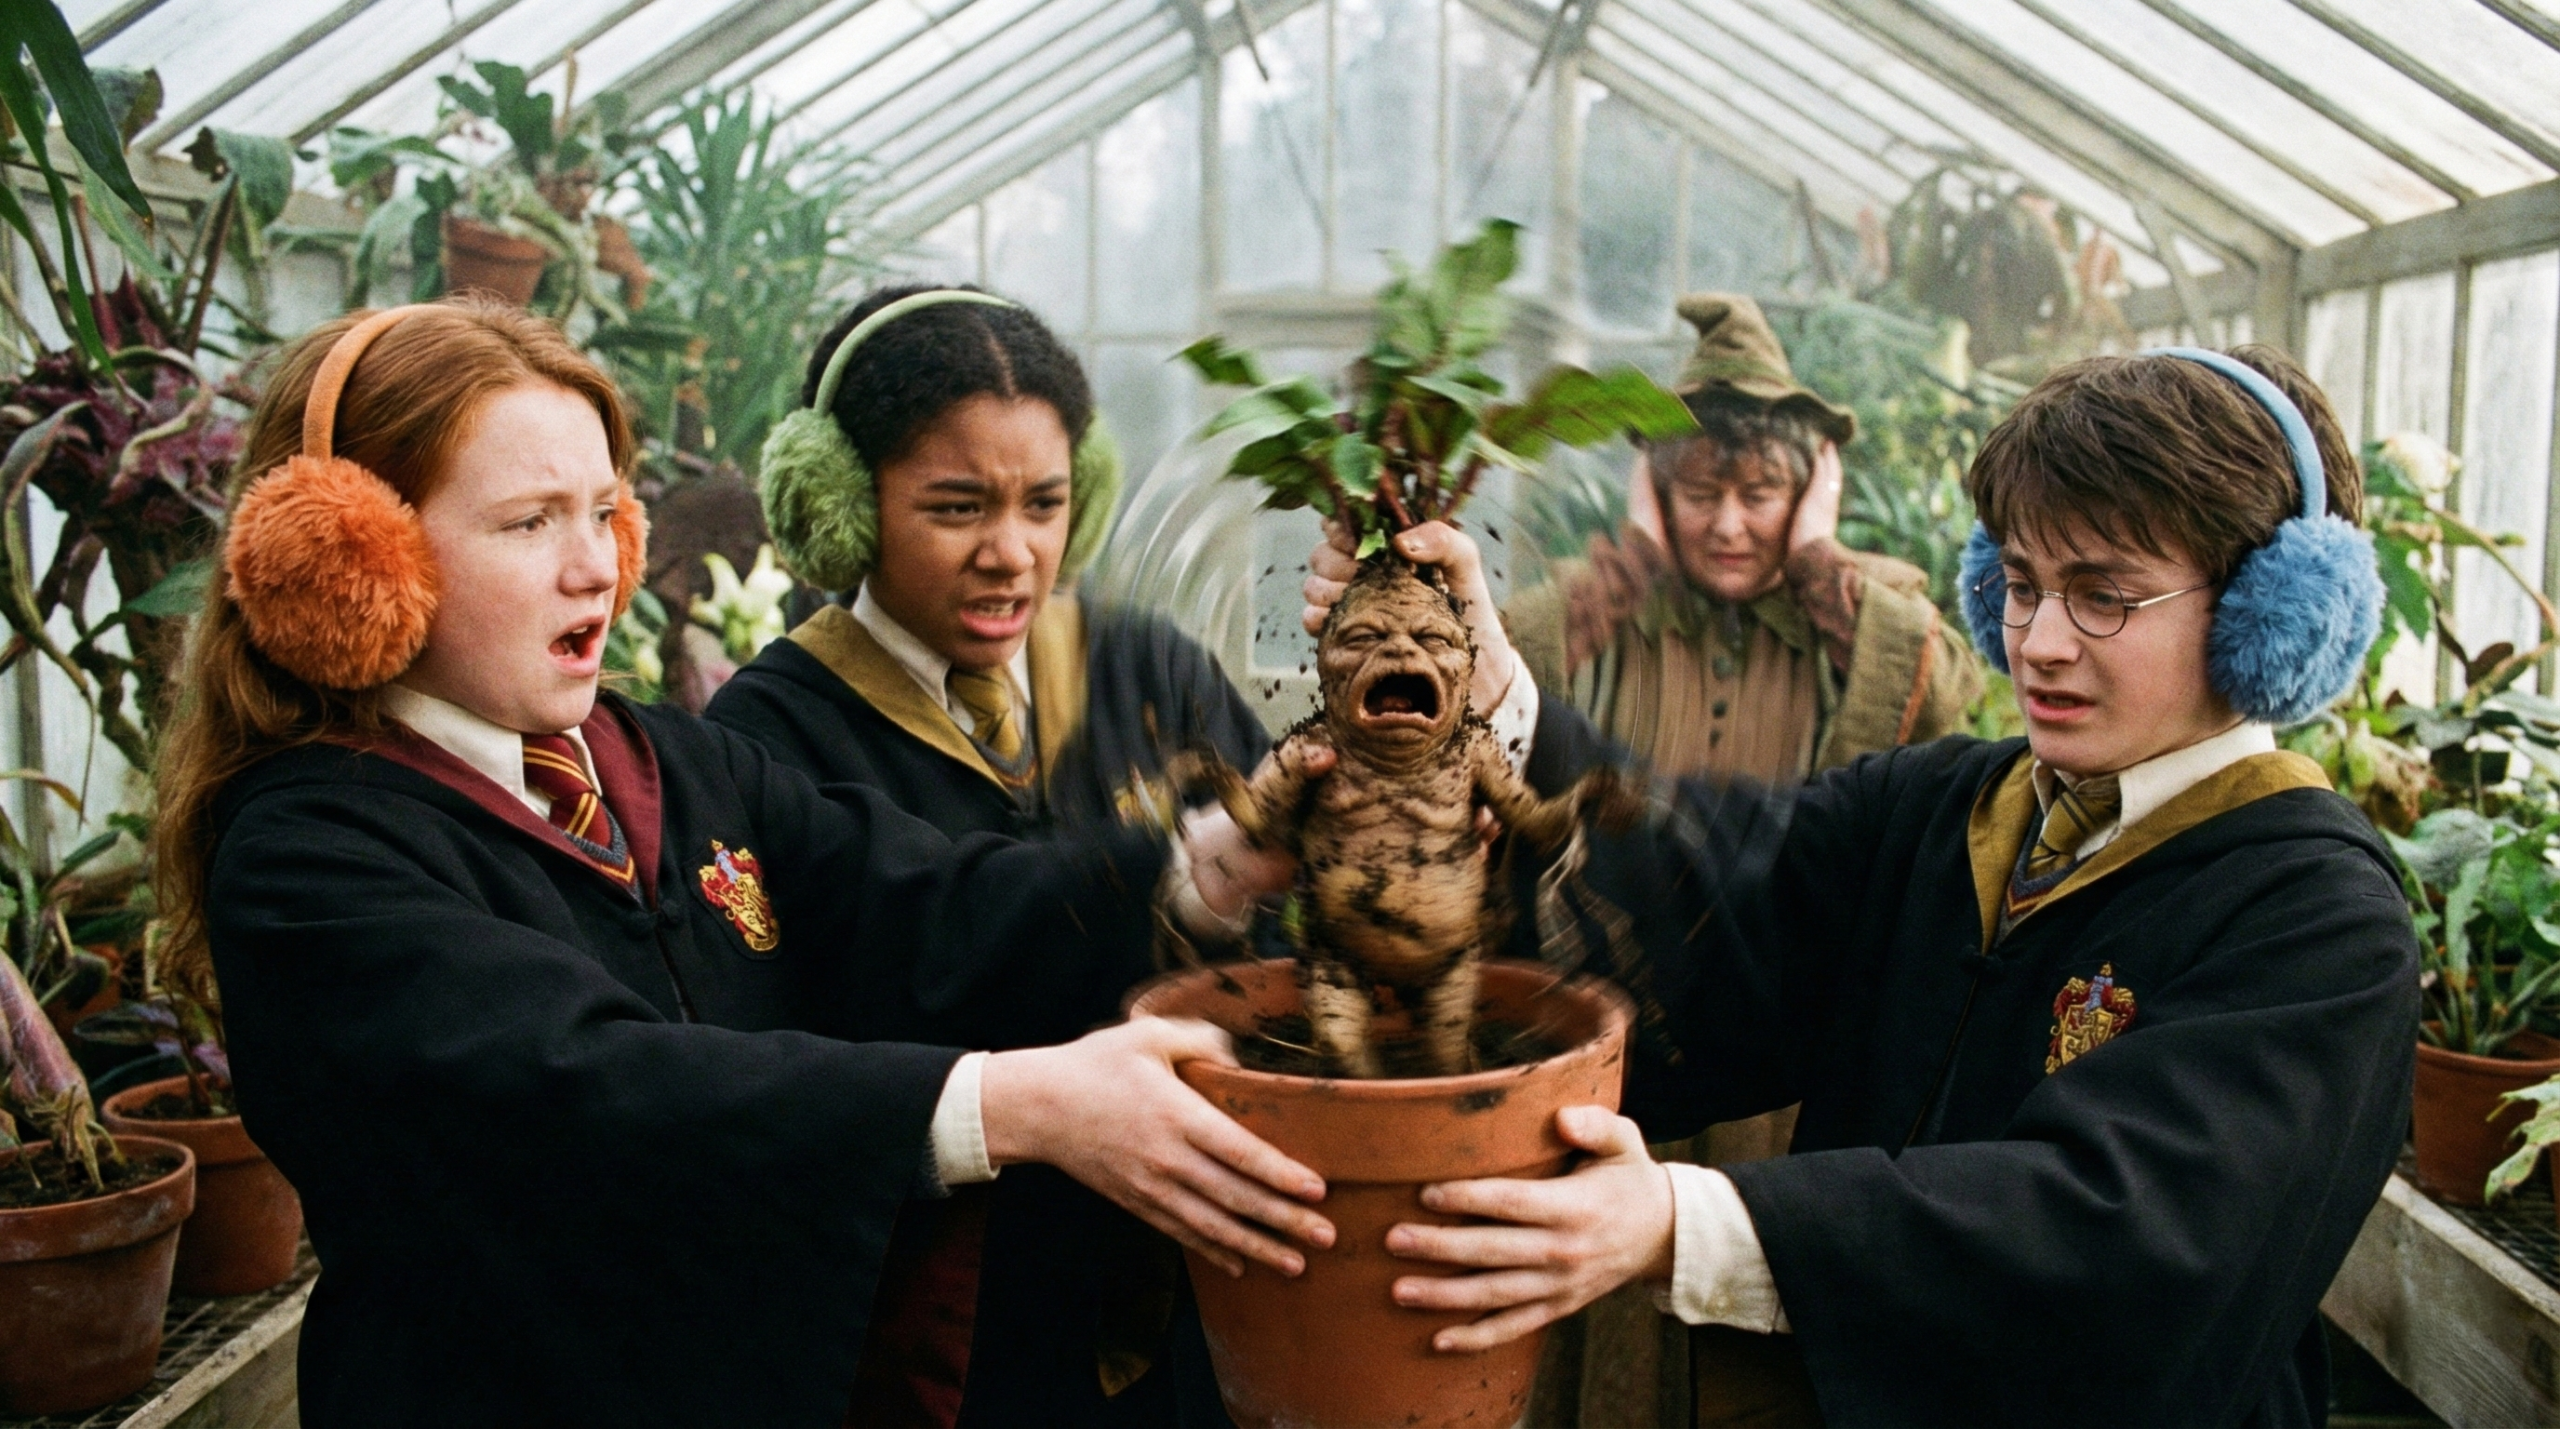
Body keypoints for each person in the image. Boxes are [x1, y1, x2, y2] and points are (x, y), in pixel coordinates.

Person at [154, 300, 1333, 1428]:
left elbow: (924, 905)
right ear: (351, 562)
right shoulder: (312, 861)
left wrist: (1217, 864)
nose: (596, 570)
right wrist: (1016, 1104)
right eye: (529, 522)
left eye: (603, 514)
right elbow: (587, 1091)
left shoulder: (667, 762)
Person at [1316, 346, 2418, 1426]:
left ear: (2269, 616)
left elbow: (2130, 1241)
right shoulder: (1946, 811)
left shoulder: (2316, 922)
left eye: (2103, 598)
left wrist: (1683, 1220)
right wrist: (1482, 689)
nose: (2033, 642)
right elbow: (1712, 888)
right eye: (2020, 584)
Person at [705, 284, 1273, 1425]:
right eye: (956, 507)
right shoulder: (771, 737)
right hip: (941, 1333)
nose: (1012, 554)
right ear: (840, 509)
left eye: (1047, 503)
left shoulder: (1143, 671)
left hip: (1188, 1299)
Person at [1496, 293, 1978, 1422]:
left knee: (1758, 1315)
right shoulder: (1601, 614)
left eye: (1759, 495)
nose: (1726, 524)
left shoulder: (1863, 621)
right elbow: (1495, 683)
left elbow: (1943, 703)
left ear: (1805, 495)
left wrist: (1819, 561)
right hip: (1626, 1049)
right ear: (1656, 493)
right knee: (1606, 1329)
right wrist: (1617, 566)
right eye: (1698, 491)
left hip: (1788, 1053)